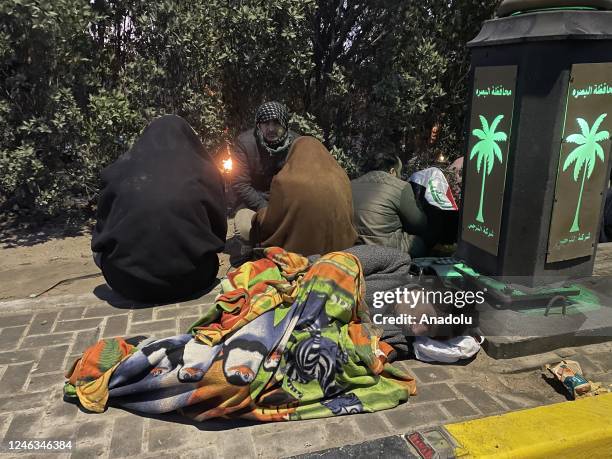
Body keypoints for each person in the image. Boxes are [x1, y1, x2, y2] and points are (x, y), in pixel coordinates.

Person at [91, 115, 227, 303]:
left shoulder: (117, 171)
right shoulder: (206, 172)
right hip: (194, 279)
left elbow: (101, 233)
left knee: (98, 253)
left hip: (129, 285)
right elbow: (219, 233)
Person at [250, 136, 358, 256]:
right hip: (342, 253)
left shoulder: (284, 181)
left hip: (298, 255)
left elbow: (270, 225)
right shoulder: (343, 179)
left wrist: (259, 215)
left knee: (243, 217)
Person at [231, 102, 299, 245]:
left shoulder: (297, 143)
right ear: (258, 125)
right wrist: (264, 208)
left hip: (287, 203)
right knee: (245, 228)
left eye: (276, 123)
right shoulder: (244, 143)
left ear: (285, 125)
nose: (271, 129)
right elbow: (240, 183)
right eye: (266, 123)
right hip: (254, 203)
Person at [351, 153, 429, 257]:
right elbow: (418, 225)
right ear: (392, 171)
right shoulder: (400, 186)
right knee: (419, 242)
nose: (400, 176)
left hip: (355, 247)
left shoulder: (352, 183)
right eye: (399, 172)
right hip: (386, 250)